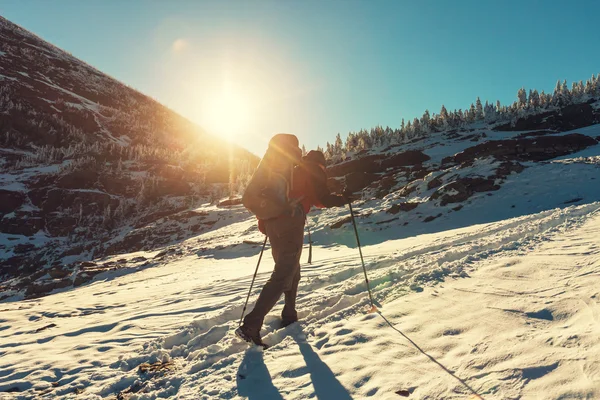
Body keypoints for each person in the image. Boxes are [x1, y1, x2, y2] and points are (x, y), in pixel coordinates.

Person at [237, 150, 348, 346]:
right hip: (290, 224)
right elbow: (321, 198)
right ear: (321, 163)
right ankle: (251, 325)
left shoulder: (290, 171)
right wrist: (343, 198)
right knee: (283, 274)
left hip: (273, 226)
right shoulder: (313, 170)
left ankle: (289, 314)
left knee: (291, 270)